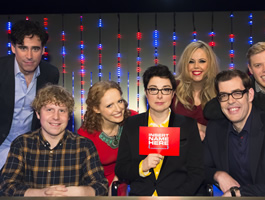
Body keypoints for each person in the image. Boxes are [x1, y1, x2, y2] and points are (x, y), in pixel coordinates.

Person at [204, 69, 265, 196]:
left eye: (237, 93)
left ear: (250, 95)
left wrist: (239, 193)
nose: (230, 101)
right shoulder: (215, 128)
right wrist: (217, 175)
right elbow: (198, 168)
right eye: (224, 95)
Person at [0, 85, 108, 196]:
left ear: (69, 116)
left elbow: (101, 186)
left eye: (62, 110)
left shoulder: (84, 145)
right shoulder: (22, 144)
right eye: (49, 110)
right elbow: (6, 185)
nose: (56, 117)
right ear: (38, 114)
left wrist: (73, 192)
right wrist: (42, 194)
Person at [115, 64, 204, 196]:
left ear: (173, 93)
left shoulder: (187, 125)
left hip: (177, 196)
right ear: (146, 92)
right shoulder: (132, 124)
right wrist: (142, 166)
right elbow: (121, 169)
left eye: (166, 90)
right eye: (153, 90)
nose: (159, 96)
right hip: (142, 195)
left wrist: (177, 198)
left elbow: (197, 172)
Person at [204, 42, 265, 142]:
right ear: (250, 69)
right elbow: (210, 110)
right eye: (258, 65)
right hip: (257, 148)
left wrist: (246, 97)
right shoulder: (246, 83)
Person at [0, 19, 59, 169]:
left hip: (31, 148)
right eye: (23, 48)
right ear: (13, 48)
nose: (29, 56)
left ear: (43, 49)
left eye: (35, 49)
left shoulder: (50, 74)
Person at [77, 80, 138, 196]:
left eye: (119, 101)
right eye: (109, 105)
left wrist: (119, 176)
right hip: (101, 188)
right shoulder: (86, 134)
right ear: (96, 109)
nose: (118, 109)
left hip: (131, 180)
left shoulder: (134, 119)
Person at [172, 40, 219, 141]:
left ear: (210, 64)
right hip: (178, 151)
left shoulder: (219, 91)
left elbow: (226, 131)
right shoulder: (172, 88)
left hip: (209, 152)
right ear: (185, 64)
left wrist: (200, 128)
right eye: (191, 61)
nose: (196, 66)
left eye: (202, 61)